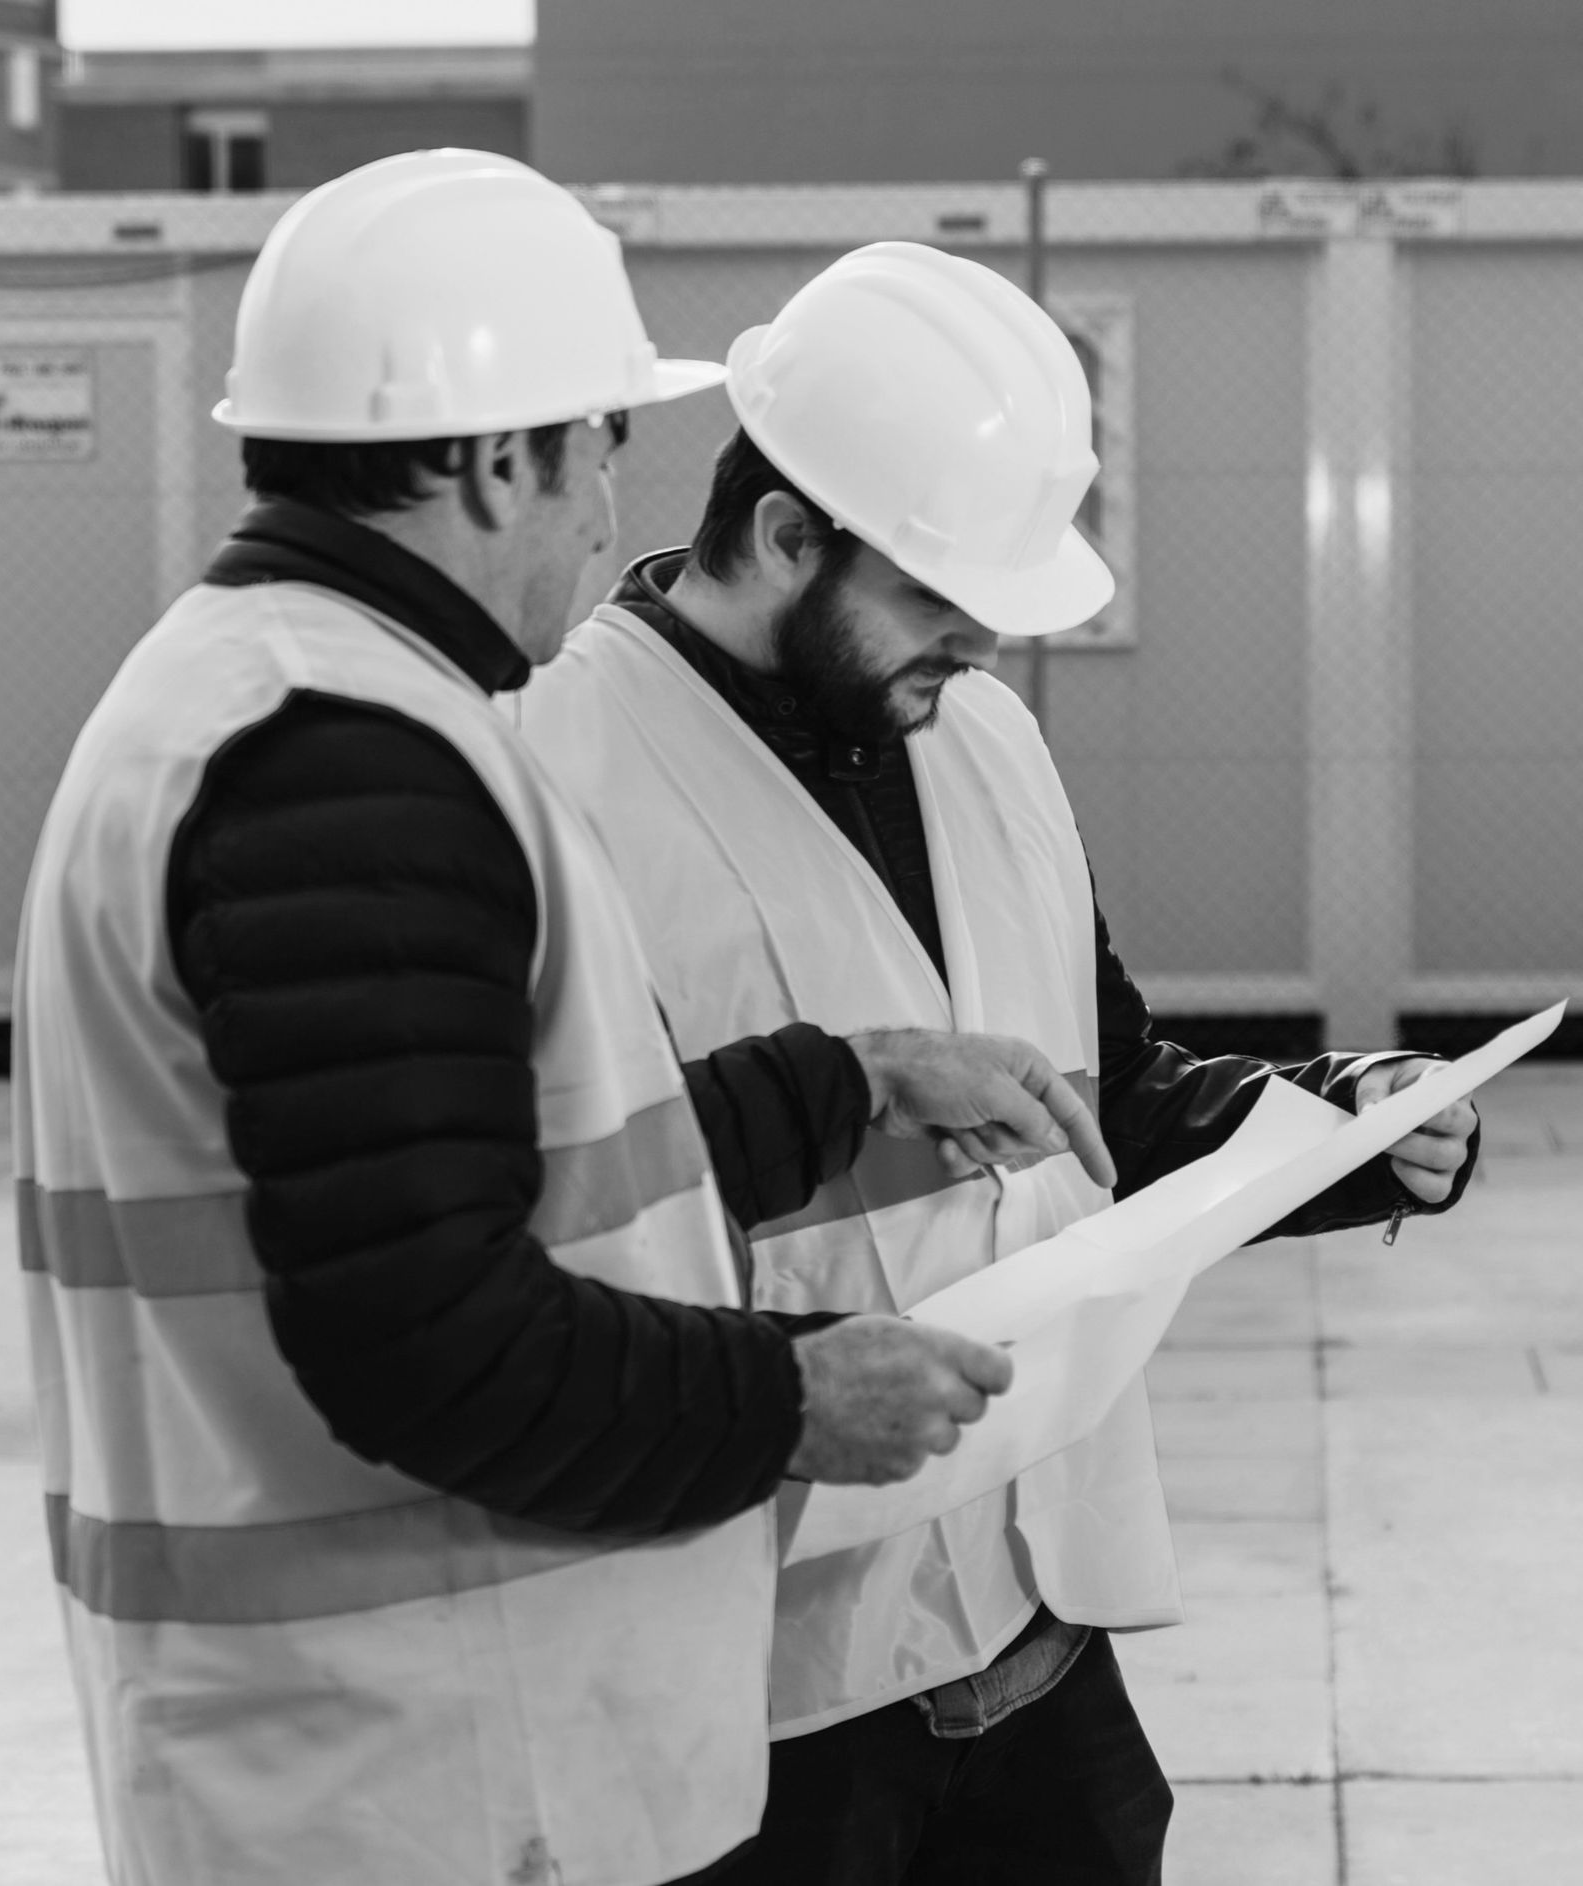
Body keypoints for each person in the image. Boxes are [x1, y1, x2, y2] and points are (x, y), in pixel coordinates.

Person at [12, 160, 1120, 1886]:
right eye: (597, 447)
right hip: (403, 1760)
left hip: (375, 1740)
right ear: (490, 458)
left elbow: (491, 1168)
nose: (612, 513)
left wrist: (839, 1083)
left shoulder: (267, 701)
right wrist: (791, 1395)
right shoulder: (344, 762)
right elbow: (423, 1329)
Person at [519, 242, 1481, 1885]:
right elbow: (545, 1218)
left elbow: (1092, 1094)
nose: (976, 646)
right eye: (938, 597)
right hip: (766, 1688)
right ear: (785, 535)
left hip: (1038, 1628)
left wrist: (1337, 1126)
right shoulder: (551, 768)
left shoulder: (979, 735)